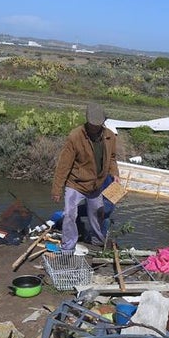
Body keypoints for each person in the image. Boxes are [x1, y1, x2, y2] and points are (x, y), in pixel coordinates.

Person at [51, 104, 120, 252]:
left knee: (97, 213)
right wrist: (57, 189)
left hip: (96, 184)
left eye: (98, 125)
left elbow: (112, 158)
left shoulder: (109, 136)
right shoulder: (75, 137)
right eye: (92, 125)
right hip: (76, 183)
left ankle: (97, 241)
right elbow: (64, 165)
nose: (95, 128)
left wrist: (115, 174)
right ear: (87, 121)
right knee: (69, 213)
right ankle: (68, 247)